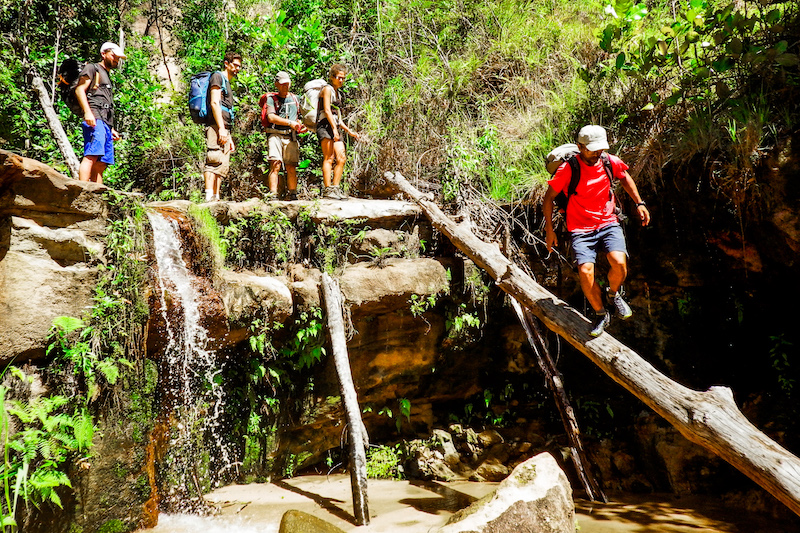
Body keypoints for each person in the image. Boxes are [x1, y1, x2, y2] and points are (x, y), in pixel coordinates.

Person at [543, 125, 651, 337]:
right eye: (592, 149)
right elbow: (548, 198)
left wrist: (639, 203)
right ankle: (601, 314)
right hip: (580, 228)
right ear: (580, 147)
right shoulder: (568, 169)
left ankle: (613, 294)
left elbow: (625, 178)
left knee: (619, 263)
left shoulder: (610, 161)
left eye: (599, 149)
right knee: (585, 272)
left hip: (608, 221)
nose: (596, 153)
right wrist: (549, 229)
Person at [75, 42, 126, 184]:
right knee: (92, 155)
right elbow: (79, 90)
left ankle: (97, 194)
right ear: (103, 54)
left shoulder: (107, 75)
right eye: (113, 56)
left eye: (117, 58)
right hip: (94, 117)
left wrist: (111, 128)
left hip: (105, 123)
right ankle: (82, 190)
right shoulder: (93, 68)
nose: (115, 60)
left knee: (102, 162)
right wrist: (87, 113)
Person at [316, 64, 359, 200]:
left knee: (341, 158)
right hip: (325, 125)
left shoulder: (337, 93)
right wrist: (334, 129)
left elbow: (338, 117)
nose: (341, 80)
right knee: (329, 157)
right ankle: (328, 190)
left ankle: (336, 188)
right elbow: (327, 110)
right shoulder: (327, 89)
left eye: (343, 78)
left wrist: (349, 131)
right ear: (332, 77)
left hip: (335, 126)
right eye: (339, 78)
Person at [204, 51, 242, 202]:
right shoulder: (217, 77)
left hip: (225, 128)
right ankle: (208, 196)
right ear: (226, 63)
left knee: (223, 162)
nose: (237, 69)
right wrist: (220, 128)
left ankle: (216, 196)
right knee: (213, 158)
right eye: (235, 65)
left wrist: (228, 134)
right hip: (216, 126)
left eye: (239, 66)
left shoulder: (227, 83)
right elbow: (214, 102)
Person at [262, 71, 306, 200]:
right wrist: (289, 123)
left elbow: (299, 117)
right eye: (282, 84)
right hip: (275, 135)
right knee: (275, 164)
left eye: (287, 84)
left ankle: (292, 194)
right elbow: (271, 117)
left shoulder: (295, 99)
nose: (285, 86)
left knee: (291, 166)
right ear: (276, 84)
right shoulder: (271, 99)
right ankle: (273, 194)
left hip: (290, 136)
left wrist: (300, 126)